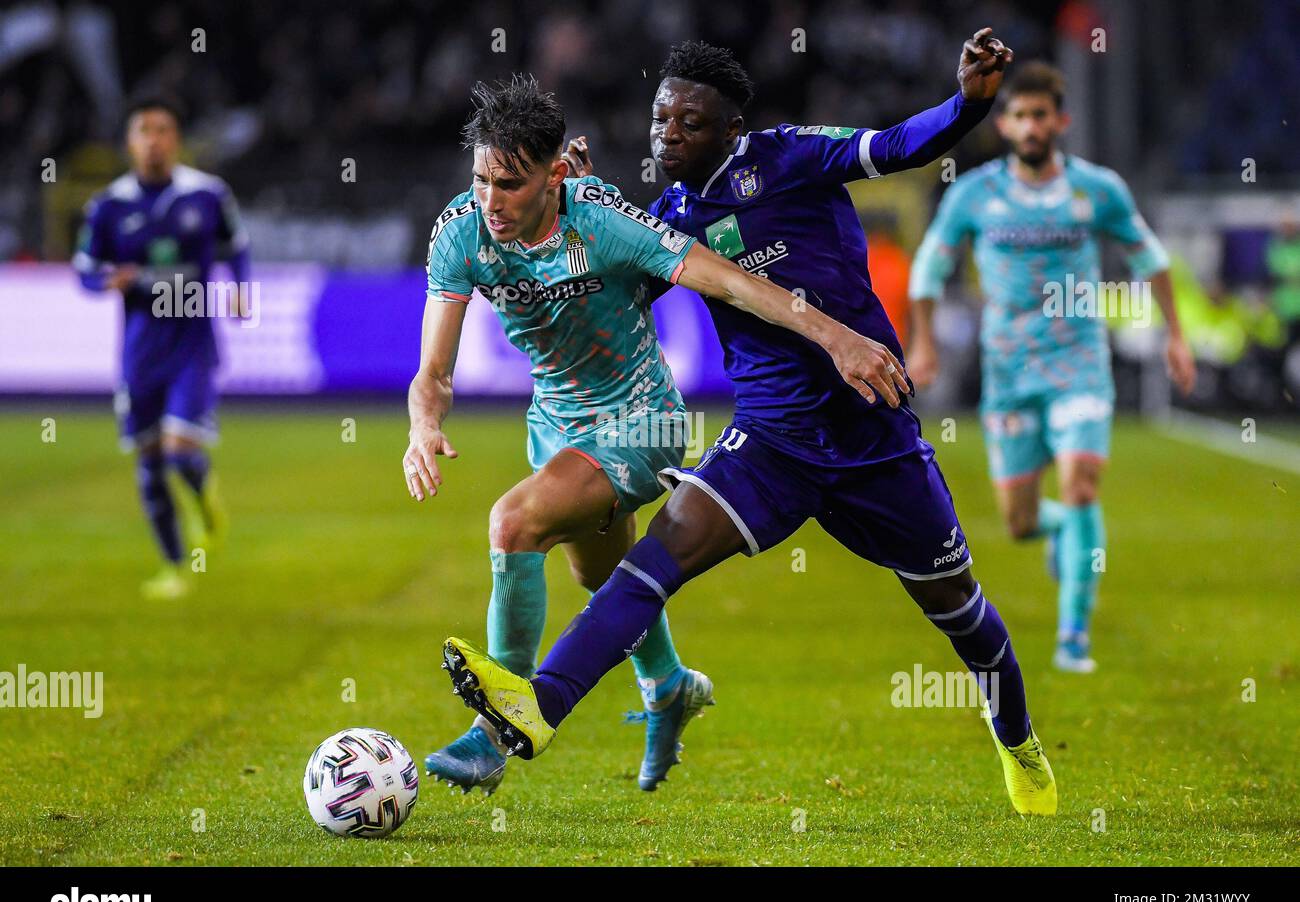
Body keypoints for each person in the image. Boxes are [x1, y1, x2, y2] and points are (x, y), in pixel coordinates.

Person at [442, 32, 1060, 815]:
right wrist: (582, 225)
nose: (668, 134)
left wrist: (969, 102)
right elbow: (623, 298)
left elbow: (901, 143)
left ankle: (1019, 741)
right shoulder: (668, 215)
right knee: (649, 565)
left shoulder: (792, 156)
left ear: (731, 129)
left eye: (689, 123)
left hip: (873, 440)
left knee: (960, 611)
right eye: (661, 118)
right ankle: (538, 704)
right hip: (768, 442)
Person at [410, 75, 902, 793]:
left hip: (644, 418)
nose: (491, 202)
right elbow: (435, 371)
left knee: (513, 523)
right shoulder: (461, 232)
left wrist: (837, 337)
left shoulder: (604, 220)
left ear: (555, 175)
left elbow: (731, 282)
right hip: (559, 425)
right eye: (481, 180)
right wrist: (423, 426)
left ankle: (498, 725)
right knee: (604, 579)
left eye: (510, 184)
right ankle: (670, 687)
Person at [908, 61, 1197, 673]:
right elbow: (929, 268)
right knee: (1019, 522)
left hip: (1080, 362)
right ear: (1005, 126)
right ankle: (1065, 533)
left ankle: (1074, 637)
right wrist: (924, 342)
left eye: (1041, 115)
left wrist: (1177, 336)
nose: (1031, 125)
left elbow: (1152, 257)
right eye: (1019, 115)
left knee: (1082, 484)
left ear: (1060, 121)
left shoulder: (1098, 190)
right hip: (1009, 370)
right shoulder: (975, 194)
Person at [74, 95, 245, 600]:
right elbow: (84, 268)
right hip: (139, 351)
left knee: (179, 453)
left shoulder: (207, 195)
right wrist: (108, 278)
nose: (154, 139)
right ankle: (174, 567)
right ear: (130, 142)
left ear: (176, 139)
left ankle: (205, 502)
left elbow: (236, 246)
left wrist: (237, 285)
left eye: (163, 129)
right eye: (144, 130)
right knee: (148, 466)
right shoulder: (109, 205)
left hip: (191, 343)